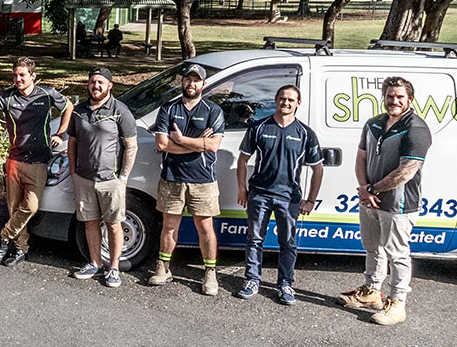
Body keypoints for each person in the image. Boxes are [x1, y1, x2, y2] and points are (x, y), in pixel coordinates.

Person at [337, 76, 431, 325]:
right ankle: (371, 292)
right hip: (370, 200)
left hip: (398, 205)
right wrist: (364, 190)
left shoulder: (416, 128)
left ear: (410, 99)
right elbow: (360, 158)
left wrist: (373, 189)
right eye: (390, 96)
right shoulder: (373, 124)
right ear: (383, 96)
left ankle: (397, 303)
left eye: (400, 96)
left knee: (397, 254)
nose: (394, 101)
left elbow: (406, 171)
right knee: (373, 248)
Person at [0, 56, 74, 267]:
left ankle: (4, 236)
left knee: (30, 206)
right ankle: (20, 249)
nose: (18, 79)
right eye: (15, 75)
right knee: (14, 207)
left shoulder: (47, 94)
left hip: (38, 162)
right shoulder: (8, 97)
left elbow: (68, 107)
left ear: (33, 76)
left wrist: (61, 132)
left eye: (22, 75)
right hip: (14, 161)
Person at [235, 85, 324, 305]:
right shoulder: (259, 127)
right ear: (276, 100)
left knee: (288, 243)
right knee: (255, 239)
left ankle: (285, 284)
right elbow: (243, 160)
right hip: (260, 194)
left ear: (298, 104)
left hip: (289, 197)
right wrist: (242, 189)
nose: (286, 103)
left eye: (291, 100)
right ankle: (252, 280)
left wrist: (311, 199)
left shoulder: (305, 133)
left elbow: (318, 168)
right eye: (282, 98)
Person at [148, 64, 224, 295]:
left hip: (203, 180)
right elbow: (161, 144)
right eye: (188, 79)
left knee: (205, 228)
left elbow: (213, 145)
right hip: (172, 178)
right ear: (182, 82)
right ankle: (163, 267)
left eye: (196, 80)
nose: (192, 84)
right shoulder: (168, 109)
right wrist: (197, 144)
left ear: (204, 84)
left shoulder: (213, 110)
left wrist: (180, 140)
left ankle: (210, 273)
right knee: (169, 226)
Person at [66, 67, 137, 288]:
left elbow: (131, 146)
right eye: (92, 82)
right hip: (85, 179)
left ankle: (114, 267)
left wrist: (123, 176)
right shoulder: (79, 111)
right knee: (90, 223)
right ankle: (95, 263)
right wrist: (73, 171)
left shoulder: (120, 111)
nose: (96, 86)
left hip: (111, 180)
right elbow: (72, 142)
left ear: (109, 86)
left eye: (100, 83)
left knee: (114, 224)